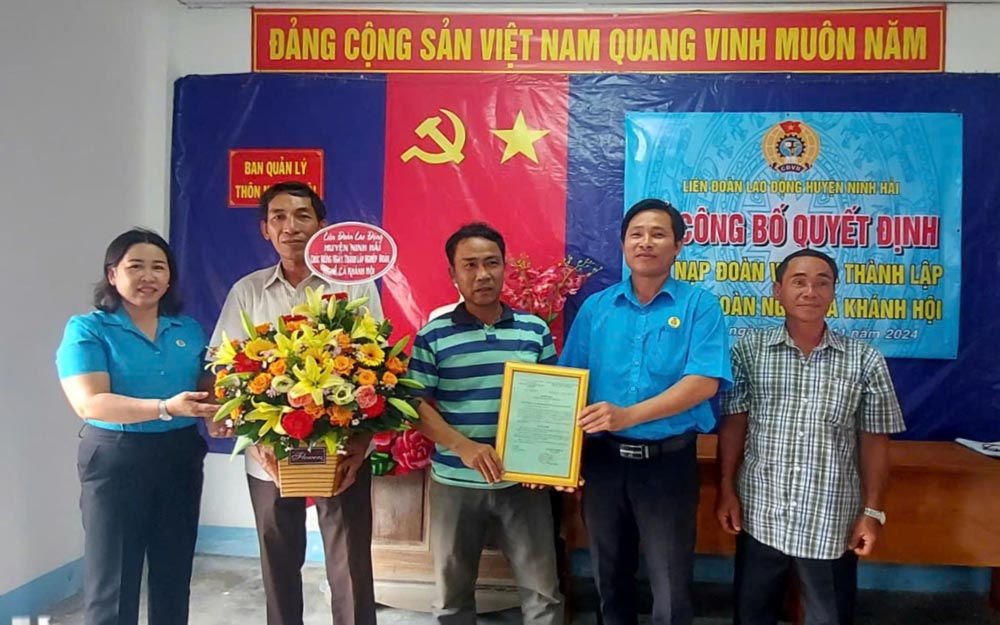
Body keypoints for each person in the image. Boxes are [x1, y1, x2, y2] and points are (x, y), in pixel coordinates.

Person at [210, 181, 381, 625]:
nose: (291, 227)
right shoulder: (248, 292)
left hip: (342, 449)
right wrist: (254, 441)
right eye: (279, 217)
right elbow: (224, 371)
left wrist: (359, 444)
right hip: (268, 453)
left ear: (323, 225)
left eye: (303, 216)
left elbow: (379, 366)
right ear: (265, 229)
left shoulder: (355, 286)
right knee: (278, 556)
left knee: (350, 559)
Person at [559, 198, 732, 625]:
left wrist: (628, 415)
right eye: (636, 234)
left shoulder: (700, 307)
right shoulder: (597, 308)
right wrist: (562, 460)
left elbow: (703, 382)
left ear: (678, 245)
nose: (646, 242)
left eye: (658, 234)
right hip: (603, 463)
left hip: (667, 465)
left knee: (670, 586)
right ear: (623, 244)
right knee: (609, 580)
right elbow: (568, 384)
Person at [716, 249, 904, 625]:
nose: (810, 291)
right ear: (778, 291)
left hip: (830, 519)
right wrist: (726, 490)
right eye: (798, 282)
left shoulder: (865, 360)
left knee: (830, 616)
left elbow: (875, 442)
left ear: (833, 292)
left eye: (822, 282)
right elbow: (734, 425)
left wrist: (872, 512)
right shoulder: (748, 352)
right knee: (751, 614)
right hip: (761, 513)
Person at [56, 228, 220, 625]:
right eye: (136, 267)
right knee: (113, 579)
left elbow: (207, 381)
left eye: (158, 267)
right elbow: (90, 402)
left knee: (173, 572)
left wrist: (219, 408)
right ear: (112, 274)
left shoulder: (187, 329)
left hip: (180, 455)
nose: (148, 276)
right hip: (117, 458)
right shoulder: (88, 329)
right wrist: (165, 407)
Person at [407, 222, 564, 625]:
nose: (482, 274)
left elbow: (552, 401)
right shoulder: (433, 336)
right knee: (452, 595)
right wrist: (464, 447)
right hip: (455, 483)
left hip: (523, 484)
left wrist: (545, 463)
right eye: (470, 265)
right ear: (453, 274)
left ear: (505, 267)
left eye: (492, 263)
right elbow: (414, 403)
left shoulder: (534, 330)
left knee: (543, 594)